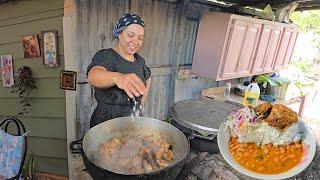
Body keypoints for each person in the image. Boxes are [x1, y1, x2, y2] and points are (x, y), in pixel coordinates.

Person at [87, 13, 151, 128]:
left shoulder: (139, 60)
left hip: (131, 122)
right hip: (106, 122)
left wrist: (142, 103)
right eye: (131, 35)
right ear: (119, 34)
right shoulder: (107, 56)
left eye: (140, 37)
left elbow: (148, 78)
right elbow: (93, 75)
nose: (136, 41)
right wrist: (118, 78)